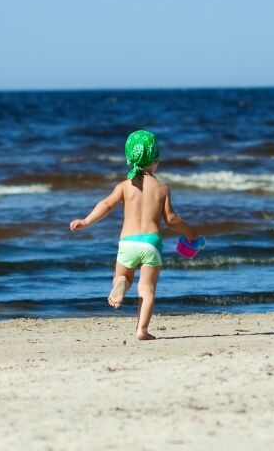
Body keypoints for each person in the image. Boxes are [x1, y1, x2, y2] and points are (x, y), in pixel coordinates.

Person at [70, 129, 200, 341]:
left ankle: (120, 283)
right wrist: (191, 233)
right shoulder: (161, 187)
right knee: (147, 290)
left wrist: (85, 221)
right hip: (151, 243)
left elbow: (106, 205)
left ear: (129, 158)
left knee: (123, 276)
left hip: (127, 243)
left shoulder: (124, 186)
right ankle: (142, 330)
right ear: (155, 160)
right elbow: (172, 220)